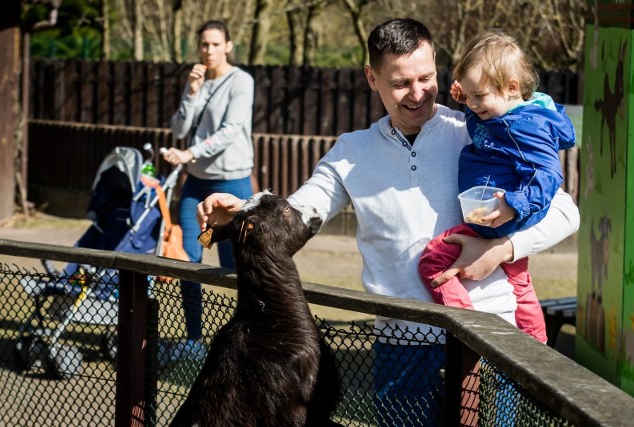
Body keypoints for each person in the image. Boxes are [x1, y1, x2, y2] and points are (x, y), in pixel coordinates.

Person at [196, 18, 579, 426]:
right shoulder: (350, 152)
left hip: (488, 334)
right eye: (400, 83)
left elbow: (565, 212)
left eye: (426, 78)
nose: (417, 94)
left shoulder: (480, 129)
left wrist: (501, 248)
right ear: (371, 78)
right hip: (401, 344)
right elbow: (299, 212)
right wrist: (245, 208)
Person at [418, 29, 576, 344]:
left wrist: (513, 206)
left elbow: (547, 174)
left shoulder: (525, 127)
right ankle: (535, 344)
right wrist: (467, 96)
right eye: (469, 95)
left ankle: (466, 329)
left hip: (498, 214)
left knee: (432, 261)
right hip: (497, 213)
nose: (473, 105)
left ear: (512, 88)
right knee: (520, 282)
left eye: (479, 96)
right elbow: (486, 114)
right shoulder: (502, 111)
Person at [162, 19, 255, 362]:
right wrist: (191, 91)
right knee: (189, 259)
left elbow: (231, 130)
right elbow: (179, 127)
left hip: (231, 183)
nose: (209, 50)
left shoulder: (241, 81)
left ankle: (241, 339)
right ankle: (193, 339)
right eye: (204, 44)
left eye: (216, 44)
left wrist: (190, 153)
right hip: (195, 185)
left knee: (234, 266)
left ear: (228, 46)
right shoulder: (198, 81)